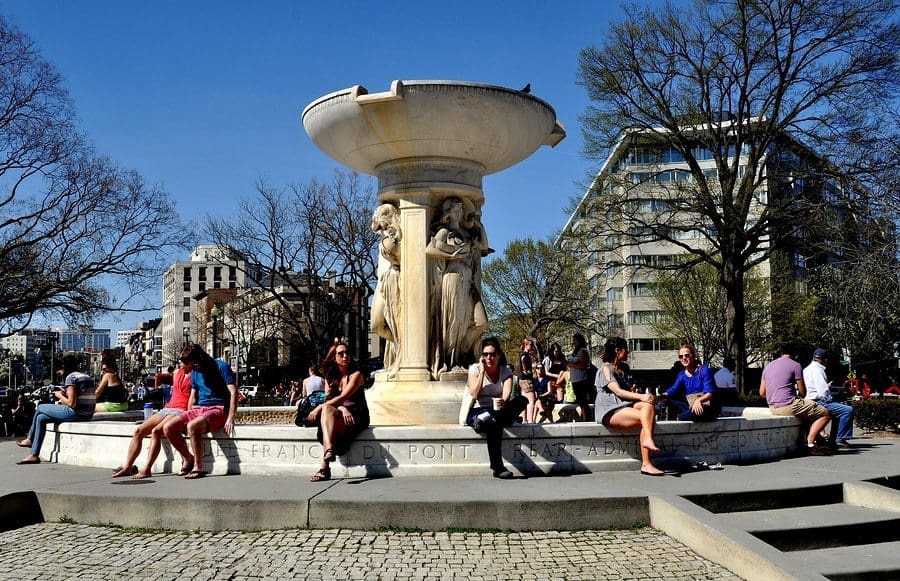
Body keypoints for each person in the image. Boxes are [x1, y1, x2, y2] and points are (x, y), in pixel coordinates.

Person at [162, 343, 238, 479]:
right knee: (168, 427)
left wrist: (230, 418)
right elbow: (193, 396)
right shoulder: (195, 371)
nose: (191, 367)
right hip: (199, 408)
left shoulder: (221, 366)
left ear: (199, 359)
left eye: (192, 364)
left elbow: (233, 392)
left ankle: (198, 467)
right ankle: (188, 458)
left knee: (192, 426)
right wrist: (187, 414)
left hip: (218, 408)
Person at [594, 337, 664, 476]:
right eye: (626, 349)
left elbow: (627, 391)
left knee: (648, 405)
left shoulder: (625, 368)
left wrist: (635, 391)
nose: (628, 352)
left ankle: (647, 450)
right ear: (617, 351)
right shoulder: (605, 369)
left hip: (625, 405)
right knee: (647, 418)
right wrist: (641, 396)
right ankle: (646, 461)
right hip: (610, 410)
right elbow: (618, 391)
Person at [112, 360, 194, 479]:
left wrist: (189, 416)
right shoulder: (177, 373)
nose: (180, 362)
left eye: (184, 360)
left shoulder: (196, 375)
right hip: (168, 407)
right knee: (138, 431)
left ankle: (147, 469)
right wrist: (156, 384)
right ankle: (127, 467)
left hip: (181, 409)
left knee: (156, 431)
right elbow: (159, 376)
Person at [306, 339, 370, 482]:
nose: (345, 356)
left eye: (347, 353)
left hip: (356, 414)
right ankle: (329, 451)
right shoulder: (330, 377)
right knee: (328, 413)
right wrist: (342, 409)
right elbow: (329, 401)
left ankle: (325, 467)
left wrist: (319, 408)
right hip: (340, 413)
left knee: (326, 414)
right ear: (334, 358)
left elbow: (343, 397)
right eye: (341, 354)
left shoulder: (356, 375)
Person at [465, 337, 528, 479]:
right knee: (494, 424)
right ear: (481, 356)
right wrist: (482, 372)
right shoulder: (474, 370)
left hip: (497, 410)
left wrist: (503, 402)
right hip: (477, 410)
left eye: (492, 354)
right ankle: (497, 467)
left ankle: (486, 418)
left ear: (498, 355)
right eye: (485, 354)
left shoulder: (505, 371)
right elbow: (475, 394)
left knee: (522, 400)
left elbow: (506, 394)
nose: (489, 358)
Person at [16, 354, 95, 465]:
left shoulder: (71, 377)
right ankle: (34, 455)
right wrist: (65, 394)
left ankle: (29, 439)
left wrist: (59, 395)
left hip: (76, 413)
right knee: (41, 418)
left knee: (40, 407)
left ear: (64, 366)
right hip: (88, 414)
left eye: (59, 369)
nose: (59, 372)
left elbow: (71, 404)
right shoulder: (86, 376)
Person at [759, 344, 831, 455]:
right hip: (788, 405)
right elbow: (803, 392)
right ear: (795, 354)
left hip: (773, 407)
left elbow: (762, 393)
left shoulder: (768, 366)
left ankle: (819, 439)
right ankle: (810, 443)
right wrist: (795, 396)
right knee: (825, 413)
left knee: (807, 413)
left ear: (781, 353)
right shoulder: (795, 365)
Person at [803, 348, 854, 448]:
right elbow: (822, 392)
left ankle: (834, 440)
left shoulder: (807, 369)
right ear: (825, 360)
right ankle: (840, 438)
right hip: (818, 401)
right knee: (847, 410)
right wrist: (830, 396)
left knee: (839, 410)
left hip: (809, 400)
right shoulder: (818, 370)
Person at [665, 344, 720, 422]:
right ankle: (682, 416)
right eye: (681, 356)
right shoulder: (681, 375)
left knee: (696, 411)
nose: (684, 358)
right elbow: (673, 390)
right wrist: (660, 397)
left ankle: (680, 417)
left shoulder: (704, 370)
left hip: (707, 406)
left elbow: (710, 393)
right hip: (691, 406)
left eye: (687, 355)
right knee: (668, 401)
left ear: (694, 356)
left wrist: (699, 401)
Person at [565, 333, 591, 421]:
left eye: (575, 340)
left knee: (583, 400)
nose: (573, 342)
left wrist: (572, 364)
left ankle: (586, 419)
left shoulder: (582, 351)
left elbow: (583, 365)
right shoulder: (575, 352)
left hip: (582, 380)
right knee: (580, 400)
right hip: (575, 380)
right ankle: (583, 417)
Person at [518, 337, 541, 423]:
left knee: (524, 400)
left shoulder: (523, 354)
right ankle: (530, 420)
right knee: (531, 400)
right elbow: (525, 367)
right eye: (530, 345)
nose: (531, 346)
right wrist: (530, 373)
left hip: (522, 379)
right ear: (526, 345)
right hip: (526, 379)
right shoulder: (525, 355)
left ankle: (524, 420)